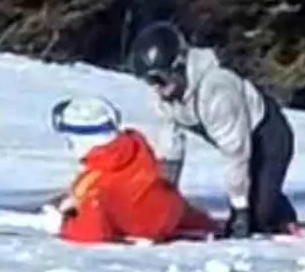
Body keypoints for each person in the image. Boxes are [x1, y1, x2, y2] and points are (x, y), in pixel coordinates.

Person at [128, 23, 298, 237]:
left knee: (258, 217)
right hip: (235, 139)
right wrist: (164, 196)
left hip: (267, 133)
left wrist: (239, 211)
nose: (155, 88)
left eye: (158, 79)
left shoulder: (216, 90)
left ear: (178, 67)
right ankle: (267, 200)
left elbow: (236, 154)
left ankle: (284, 219)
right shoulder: (166, 98)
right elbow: (170, 147)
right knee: (253, 192)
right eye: (148, 81)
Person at [47, 94, 217, 245]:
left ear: (82, 140)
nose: (69, 147)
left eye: (69, 140)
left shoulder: (100, 188)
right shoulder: (134, 150)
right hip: (174, 211)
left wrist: (62, 226)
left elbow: (93, 233)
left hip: (157, 226)